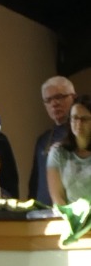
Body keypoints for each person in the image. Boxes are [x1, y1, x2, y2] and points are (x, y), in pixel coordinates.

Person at [31, 75, 75, 207]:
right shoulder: (43, 140)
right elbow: (35, 181)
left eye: (59, 97)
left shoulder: (83, 135)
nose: (54, 104)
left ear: (74, 98)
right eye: (48, 100)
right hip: (44, 211)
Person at [45, 94, 91, 209]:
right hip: (69, 216)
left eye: (84, 119)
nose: (78, 123)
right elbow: (57, 197)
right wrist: (69, 216)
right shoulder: (57, 153)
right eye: (75, 118)